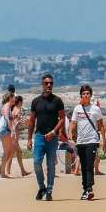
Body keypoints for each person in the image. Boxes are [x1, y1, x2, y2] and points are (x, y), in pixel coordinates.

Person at [26, 73, 66, 201]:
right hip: (39, 136)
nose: (49, 85)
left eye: (51, 83)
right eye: (46, 83)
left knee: (50, 165)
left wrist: (54, 132)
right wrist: (28, 139)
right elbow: (32, 121)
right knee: (37, 162)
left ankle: (49, 189)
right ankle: (42, 187)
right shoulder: (36, 101)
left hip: (52, 138)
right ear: (42, 84)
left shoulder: (57, 101)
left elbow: (62, 118)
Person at [70, 85, 106, 201]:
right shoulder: (77, 109)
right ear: (81, 95)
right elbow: (73, 123)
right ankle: (85, 189)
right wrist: (70, 133)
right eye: (84, 93)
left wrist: (104, 141)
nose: (85, 95)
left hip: (92, 140)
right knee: (84, 166)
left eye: (87, 93)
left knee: (89, 165)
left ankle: (90, 188)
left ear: (91, 95)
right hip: (81, 141)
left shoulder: (95, 109)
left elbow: (101, 125)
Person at [9, 94, 32, 177]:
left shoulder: (14, 109)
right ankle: (5, 170)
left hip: (13, 134)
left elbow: (14, 121)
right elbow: (16, 123)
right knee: (15, 152)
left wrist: (23, 121)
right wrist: (26, 122)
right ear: (20, 102)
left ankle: (12, 171)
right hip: (14, 135)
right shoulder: (18, 109)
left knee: (13, 153)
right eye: (22, 102)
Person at [0, 90, 16, 178]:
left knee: (11, 151)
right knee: (7, 152)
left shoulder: (7, 106)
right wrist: (12, 131)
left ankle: (0, 168)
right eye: (14, 97)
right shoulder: (7, 106)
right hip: (5, 131)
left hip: (6, 131)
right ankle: (2, 173)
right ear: (10, 98)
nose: (15, 99)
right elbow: (7, 119)